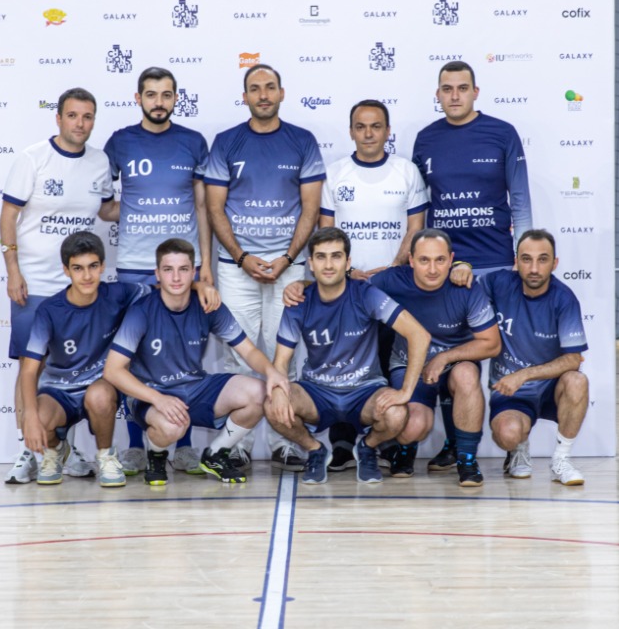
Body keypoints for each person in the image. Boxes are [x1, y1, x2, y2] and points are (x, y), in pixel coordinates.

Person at [411, 60, 532, 470]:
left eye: (463, 88)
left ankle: (517, 447)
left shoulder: (502, 133)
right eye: (447, 89)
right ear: (438, 94)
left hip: (497, 264)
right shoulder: (426, 139)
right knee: (453, 358)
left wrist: (521, 257)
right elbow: (420, 207)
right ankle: (455, 445)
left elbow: (520, 198)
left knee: (507, 357)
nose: (455, 95)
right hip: (443, 270)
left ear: (475, 92)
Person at [205, 64, 325, 471]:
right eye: (254, 89)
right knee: (238, 358)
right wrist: (242, 257)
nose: (263, 95)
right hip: (236, 267)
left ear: (282, 93)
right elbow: (215, 208)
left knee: (283, 356)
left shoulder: (302, 141)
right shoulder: (226, 142)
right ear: (244, 97)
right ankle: (235, 445)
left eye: (270, 87)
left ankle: (284, 440)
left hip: (288, 267)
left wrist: (288, 259)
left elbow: (310, 208)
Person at [104, 238, 290, 486]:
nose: (176, 277)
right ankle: (156, 456)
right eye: (168, 270)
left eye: (183, 269)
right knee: (172, 427)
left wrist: (272, 372)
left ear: (193, 272)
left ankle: (215, 454)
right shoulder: (141, 311)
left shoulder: (208, 305)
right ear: (157, 274)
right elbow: (113, 370)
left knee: (258, 392)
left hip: (195, 387)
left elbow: (248, 351)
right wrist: (158, 399)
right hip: (153, 394)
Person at [102, 67, 211, 478]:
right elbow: (104, 206)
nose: (159, 102)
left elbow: (202, 206)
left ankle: (183, 446)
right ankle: (134, 446)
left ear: (176, 98)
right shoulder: (120, 142)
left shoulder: (193, 142)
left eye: (166, 94)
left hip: (183, 268)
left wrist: (205, 267)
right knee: (134, 358)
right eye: (151, 94)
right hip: (134, 266)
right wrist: (134, 211)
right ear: (139, 98)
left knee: (183, 356)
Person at [0, 88, 112, 484]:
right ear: (59, 118)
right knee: (31, 367)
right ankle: (27, 451)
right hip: (34, 285)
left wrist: (153, 201)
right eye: (73, 115)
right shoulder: (32, 159)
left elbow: (107, 209)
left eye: (87, 116)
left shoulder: (100, 162)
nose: (80, 123)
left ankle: (62, 448)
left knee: (74, 369)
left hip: (79, 288)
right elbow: (8, 216)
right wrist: (13, 270)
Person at [264, 228, 431, 486]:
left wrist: (406, 391)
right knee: (271, 405)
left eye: (336, 256)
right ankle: (315, 450)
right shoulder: (299, 302)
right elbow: (281, 361)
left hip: (364, 391)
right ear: (311, 264)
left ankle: (367, 447)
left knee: (397, 413)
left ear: (347, 262)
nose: (329, 265)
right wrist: (277, 390)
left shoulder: (366, 294)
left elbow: (419, 335)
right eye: (321, 257)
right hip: (317, 392)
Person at [319, 99, 428, 471]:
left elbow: (416, 228)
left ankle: (386, 442)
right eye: (361, 126)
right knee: (343, 365)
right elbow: (326, 232)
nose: (368, 133)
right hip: (346, 286)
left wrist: (394, 266)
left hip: (394, 284)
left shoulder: (406, 172)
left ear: (388, 131)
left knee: (385, 363)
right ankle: (341, 443)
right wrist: (347, 271)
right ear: (351, 131)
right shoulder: (335, 173)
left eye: (376, 126)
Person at [370, 229, 500, 486]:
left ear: (451, 259)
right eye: (424, 260)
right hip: (409, 363)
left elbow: (492, 344)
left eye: (440, 260)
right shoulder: (391, 280)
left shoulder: (467, 287)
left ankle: (466, 459)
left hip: (455, 364)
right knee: (413, 427)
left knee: (466, 374)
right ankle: (406, 449)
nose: (432, 269)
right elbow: (345, 292)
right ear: (410, 260)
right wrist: (301, 285)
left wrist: (444, 358)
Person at [16, 232, 140, 488]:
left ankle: (106, 457)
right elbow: (28, 371)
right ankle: (56, 451)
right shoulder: (49, 310)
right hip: (59, 390)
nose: (87, 276)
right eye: (78, 268)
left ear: (103, 266)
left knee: (100, 396)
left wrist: (198, 286)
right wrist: (29, 416)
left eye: (93, 266)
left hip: (100, 385)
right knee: (39, 416)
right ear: (66, 270)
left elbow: (164, 290)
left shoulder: (119, 294)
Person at [484, 230, 590, 486]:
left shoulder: (564, 298)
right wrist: (461, 269)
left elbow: (573, 360)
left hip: (550, 387)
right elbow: (460, 293)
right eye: (526, 259)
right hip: (512, 392)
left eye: (542, 260)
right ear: (516, 261)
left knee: (577, 381)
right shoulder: (498, 283)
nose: (534, 268)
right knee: (507, 434)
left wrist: (523, 375)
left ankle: (561, 460)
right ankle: (518, 448)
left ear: (555, 263)